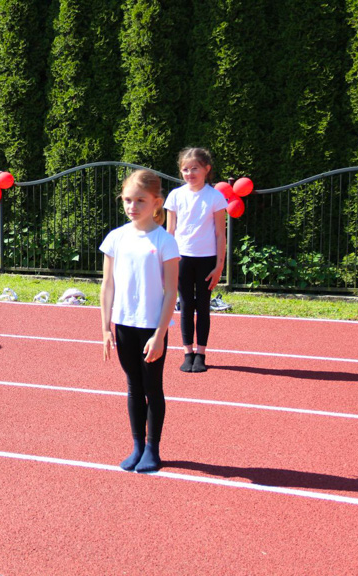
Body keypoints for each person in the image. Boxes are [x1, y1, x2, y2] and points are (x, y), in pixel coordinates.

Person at [100, 169, 180, 473]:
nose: (132, 206)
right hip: (124, 326)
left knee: (152, 387)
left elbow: (171, 290)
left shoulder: (164, 241)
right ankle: (136, 446)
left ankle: (152, 448)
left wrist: (160, 334)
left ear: (157, 202)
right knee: (133, 387)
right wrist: (105, 327)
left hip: (151, 327)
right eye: (127, 200)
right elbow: (107, 285)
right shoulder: (115, 238)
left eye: (140, 200)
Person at [164, 147, 227, 374]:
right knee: (185, 305)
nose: (189, 173)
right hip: (181, 258)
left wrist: (219, 265)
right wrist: (166, 261)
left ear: (206, 169)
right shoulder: (175, 196)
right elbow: (170, 232)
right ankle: (187, 352)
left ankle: (201, 352)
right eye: (185, 169)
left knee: (203, 306)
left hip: (207, 260)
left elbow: (220, 233)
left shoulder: (215, 197)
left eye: (195, 168)